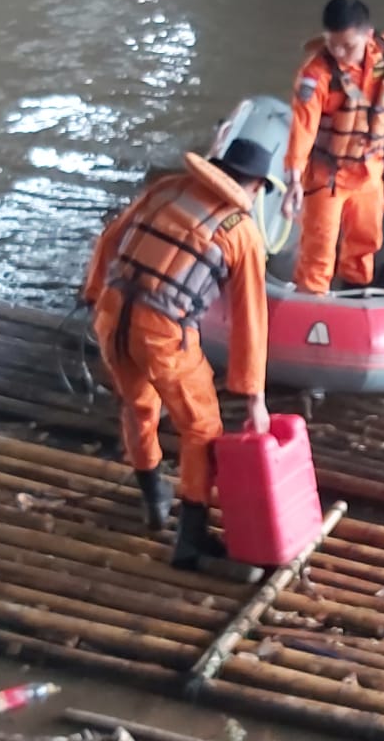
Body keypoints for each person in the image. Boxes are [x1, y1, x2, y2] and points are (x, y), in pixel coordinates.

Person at [83, 138, 274, 570]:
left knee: (138, 407)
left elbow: (111, 238)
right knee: (201, 427)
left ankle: (153, 500)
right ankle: (190, 540)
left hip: (112, 313)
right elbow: (250, 319)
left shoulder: (167, 188)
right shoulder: (240, 232)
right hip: (162, 332)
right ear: (257, 186)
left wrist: (94, 291)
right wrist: (254, 398)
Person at [282, 0, 384, 294]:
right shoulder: (316, 75)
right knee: (319, 248)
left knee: (367, 238)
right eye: (332, 44)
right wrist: (293, 180)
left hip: (369, 169)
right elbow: (303, 127)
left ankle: (357, 287)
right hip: (328, 176)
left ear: (368, 35)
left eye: (347, 46)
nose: (339, 53)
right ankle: (311, 301)